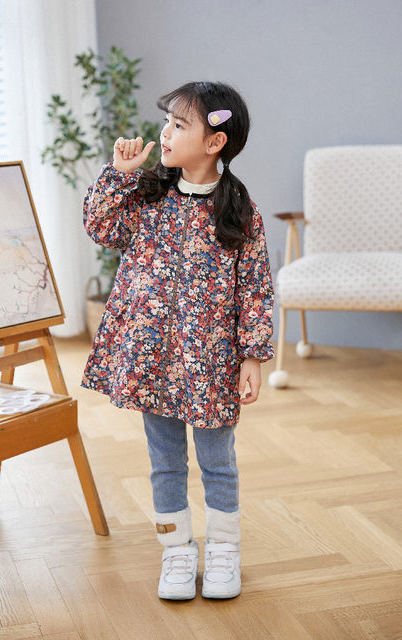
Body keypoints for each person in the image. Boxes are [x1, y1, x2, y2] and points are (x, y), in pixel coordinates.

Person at [81, 81, 274, 600]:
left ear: (215, 142)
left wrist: (253, 356)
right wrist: (119, 175)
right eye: (166, 121)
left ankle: (224, 550)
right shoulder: (147, 196)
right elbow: (99, 226)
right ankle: (176, 550)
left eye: (179, 125)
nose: (164, 133)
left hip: (211, 362)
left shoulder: (239, 212)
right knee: (165, 461)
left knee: (217, 461)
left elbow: (256, 288)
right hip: (152, 358)